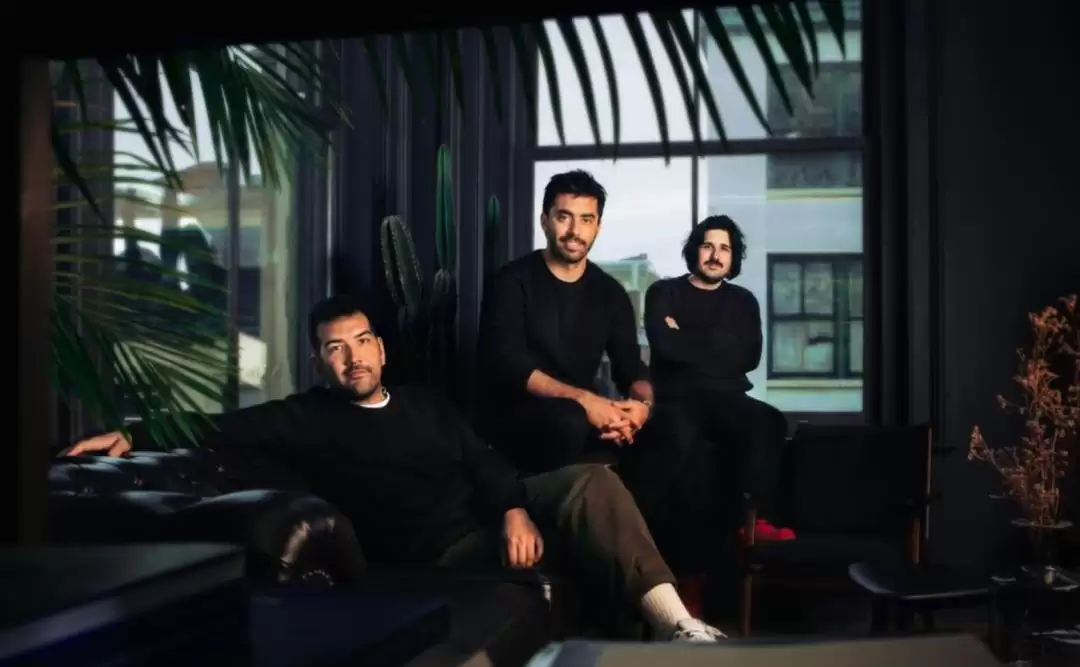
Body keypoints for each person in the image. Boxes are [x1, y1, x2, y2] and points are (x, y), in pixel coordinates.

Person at [64, 294, 726, 643]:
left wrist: (513, 509)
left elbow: (484, 459)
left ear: (380, 348)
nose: (352, 357)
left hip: (490, 512)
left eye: (361, 342)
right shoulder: (305, 417)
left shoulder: (425, 402)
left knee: (593, 480)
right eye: (335, 349)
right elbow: (218, 425)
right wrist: (132, 431)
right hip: (442, 547)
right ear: (320, 361)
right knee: (583, 527)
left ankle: (677, 626)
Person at [644, 215, 794, 543]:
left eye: (724, 248)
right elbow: (664, 345)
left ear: (733, 257)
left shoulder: (743, 301)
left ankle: (754, 521)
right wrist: (720, 342)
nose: (715, 255)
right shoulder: (664, 292)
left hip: (728, 400)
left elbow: (749, 357)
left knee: (769, 421)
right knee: (678, 444)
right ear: (694, 250)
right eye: (708, 246)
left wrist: (685, 335)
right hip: (677, 399)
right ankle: (645, 537)